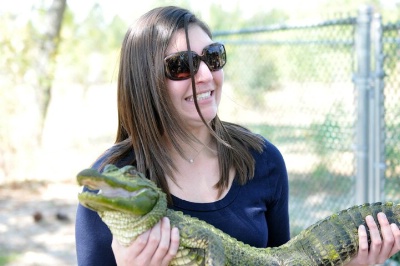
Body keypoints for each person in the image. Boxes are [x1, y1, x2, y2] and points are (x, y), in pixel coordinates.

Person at [75, 6, 400, 266]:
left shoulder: (263, 160)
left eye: (212, 57)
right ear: (145, 82)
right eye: (182, 66)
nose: (205, 76)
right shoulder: (109, 186)